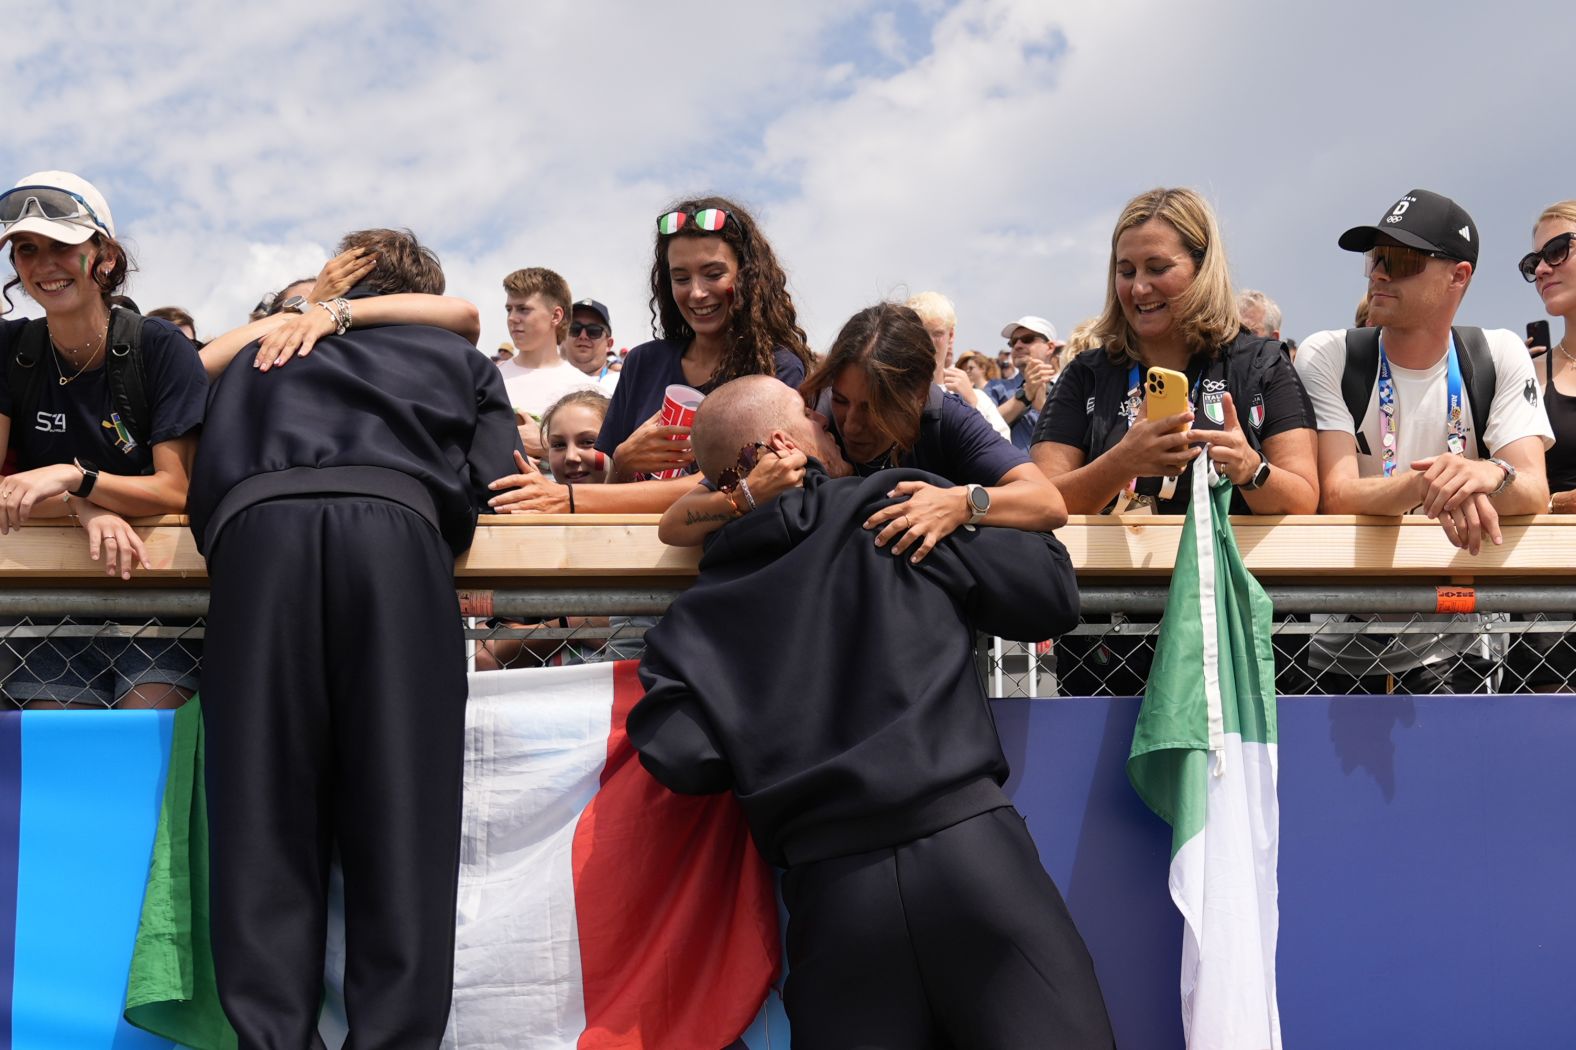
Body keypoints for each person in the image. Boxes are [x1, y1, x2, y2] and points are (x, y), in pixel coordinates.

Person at [627, 375, 1114, 1048]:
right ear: (781, 443)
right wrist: (967, 507)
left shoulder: (692, 624)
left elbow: (683, 757)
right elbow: (1048, 597)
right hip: (971, 857)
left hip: (834, 898)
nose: (830, 425)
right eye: (813, 417)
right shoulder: (896, 508)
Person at [187, 227, 522, 1046]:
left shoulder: (256, 352)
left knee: (262, 813)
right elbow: (503, 484)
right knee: (402, 815)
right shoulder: (456, 360)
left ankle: (269, 1038)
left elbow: (173, 400)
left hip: (255, 544)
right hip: (394, 543)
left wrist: (299, 310)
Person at [1031, 187, 1317, 696]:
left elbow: (1304, 498)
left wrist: (1251, 469)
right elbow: (1044, 501)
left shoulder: (1260, 364)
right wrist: (1125, 460)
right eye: (1126, 271)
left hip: (1242, 637)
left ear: (1203, 268)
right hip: (1109, 644)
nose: (1139, 288)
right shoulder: (1087, 375)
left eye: (1157, 268)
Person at [1295, 189, 1552, 693]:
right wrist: (1437, 482)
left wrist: (1491, 473)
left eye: (1403, 260)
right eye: (1375, 257)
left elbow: (1534, 490)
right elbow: (1336, 495)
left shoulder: (1496, 352)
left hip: (1456, 635)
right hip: (1341, 634)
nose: (1379, 273)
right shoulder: (1328, 354)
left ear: (1459, 276)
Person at [0, 171, 207, 708]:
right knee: (59, 773)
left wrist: (77, 477)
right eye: (26, 249)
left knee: (148, 768)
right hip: (44, 607)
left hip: (158, 601)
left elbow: (176, 490)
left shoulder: (158, 348)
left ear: (105, 257)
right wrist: (83, 506)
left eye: (63, 246)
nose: (44, 265)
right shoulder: (9, 350)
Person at [486, 196, 813, 516]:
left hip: (730, 564)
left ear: (747, 275)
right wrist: (624, 462)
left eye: (713, 274)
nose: (696, 293)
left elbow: (729, 484)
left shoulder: (776, 369)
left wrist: (567, 498)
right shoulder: (644, 363)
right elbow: (611, 494)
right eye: (681, 277)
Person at [658, 303, 1064, 558]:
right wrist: (747, 495)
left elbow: (1047, 503)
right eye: (842, 400)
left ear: (917, 397)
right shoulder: (808, 419)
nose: (850, 425)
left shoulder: (947, 419)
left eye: (875, 409)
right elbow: (675, 525)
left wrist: (961, 504)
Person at [1508, 199, 1576, 690]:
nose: (1543, 269)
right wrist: (1555, 502)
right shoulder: (1527, 373)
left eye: (1557, 250)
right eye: (1533, 263)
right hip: (1549, 623)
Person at [494, 266, 601, 455]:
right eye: (509, 309)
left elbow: (607, 458)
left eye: (523, 309)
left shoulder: (586, 388)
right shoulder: (489, 379)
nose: (512, 318)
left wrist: (546, 444)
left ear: (556, 316)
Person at [906, 290, 1011, 440]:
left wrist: (972, 405)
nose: (928, 343)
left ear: (951, 335)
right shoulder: (893, 391)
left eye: (937, 333)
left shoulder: (976, 398)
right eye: (920, 333)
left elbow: (1005, 451)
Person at [985, 314, 1058, 450]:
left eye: (1027, 339)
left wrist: (1040, 403)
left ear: (1050, 347)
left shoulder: (1066, 389)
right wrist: (1025, 394)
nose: (1017, 345)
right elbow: (981, 427)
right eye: (1013, 342)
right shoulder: (995, 387)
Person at [562, 297, 619, 392]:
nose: (583, 336)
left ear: (609, 344)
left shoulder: (622, 384)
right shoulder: (547, 381)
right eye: (574, 329)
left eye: (593, 331)